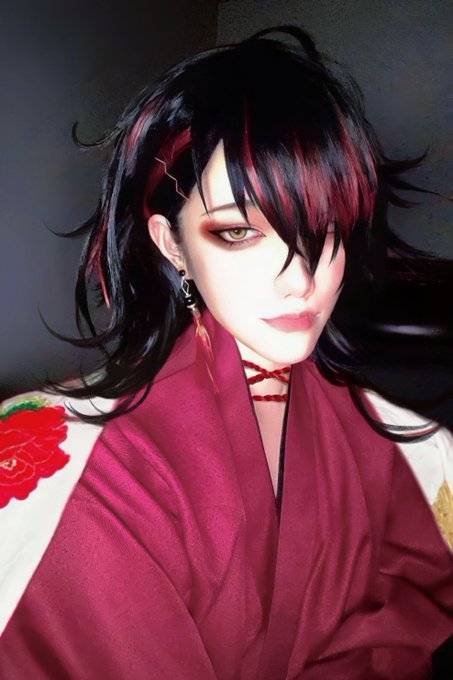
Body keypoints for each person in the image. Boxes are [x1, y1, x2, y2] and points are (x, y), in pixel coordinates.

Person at [0, 26, 452, 679]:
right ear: (172, 244)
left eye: (326, 228)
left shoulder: (390, 436)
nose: (300, 278)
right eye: (239, 232)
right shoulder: (86, 475)